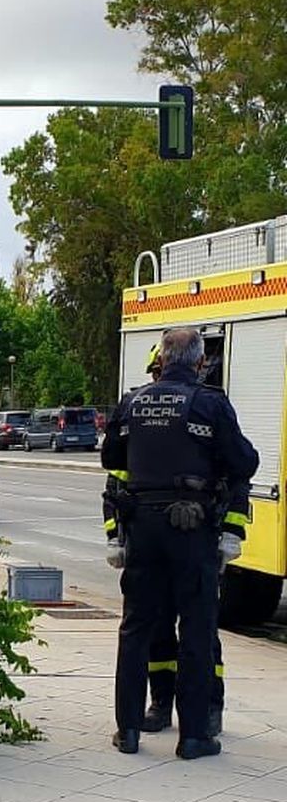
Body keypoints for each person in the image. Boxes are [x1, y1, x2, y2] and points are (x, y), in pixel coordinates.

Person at [102, 325, 257, 758]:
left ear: (163, 359)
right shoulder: (210, 404)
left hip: (143, 527)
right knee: (197, 628)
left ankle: (128, 732)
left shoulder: (132, 402)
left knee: (136, 628)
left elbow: (111, 458)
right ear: (200, 362)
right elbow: (243, 461)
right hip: (193, 528)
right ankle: (194, 737)